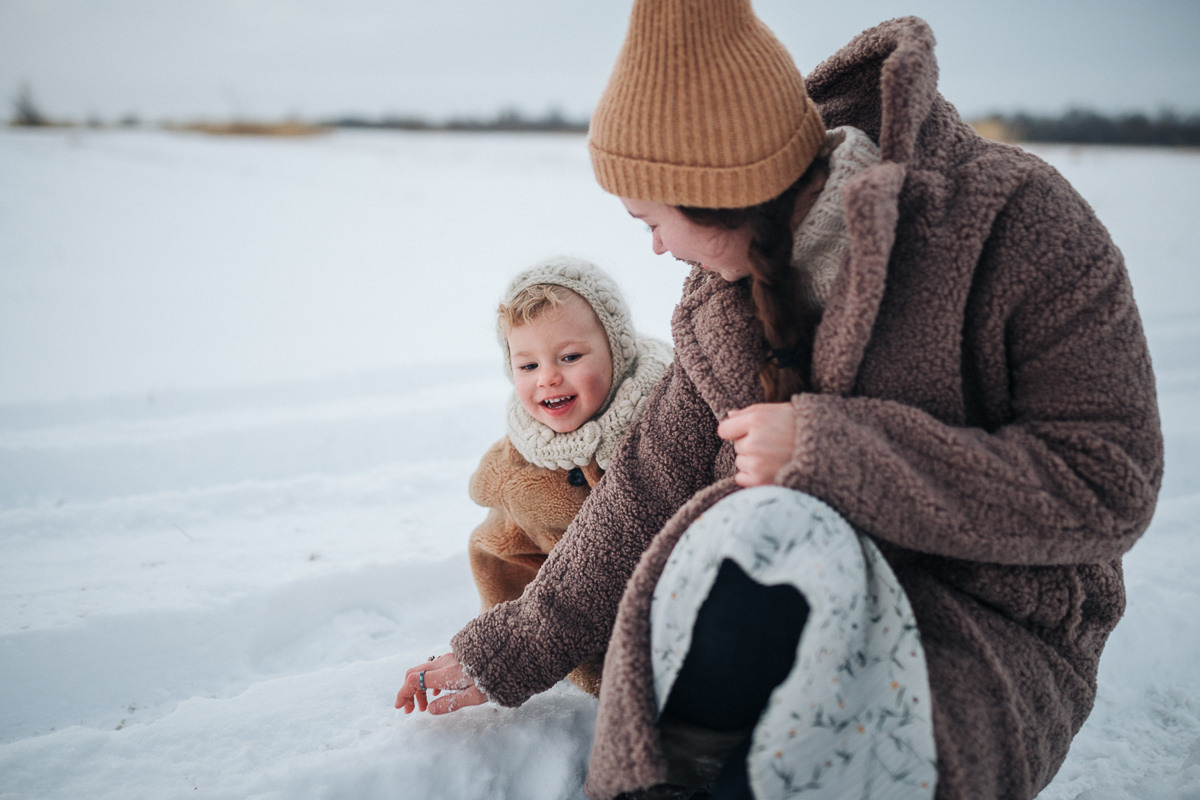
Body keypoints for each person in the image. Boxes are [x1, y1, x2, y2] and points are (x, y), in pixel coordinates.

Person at [396, 4, 1163, 800]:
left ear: (716, 194)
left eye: (650, 220)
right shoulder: (718, 302)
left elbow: (1108, 485)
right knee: (750, 529)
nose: (655, 248)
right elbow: (642, 493)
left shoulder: (1014, 224)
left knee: (777, 524)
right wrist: (506, 649)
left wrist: (832, 453)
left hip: (984, 629)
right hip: (765, 624)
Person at [467, 255, 671, 695]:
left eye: (570, 356)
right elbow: (500, 552)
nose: (548, 378)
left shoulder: (664, 419)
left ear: (616, 349)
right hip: (583, 648)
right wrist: (504, 636)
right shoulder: (521, 464)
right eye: (528, 366)